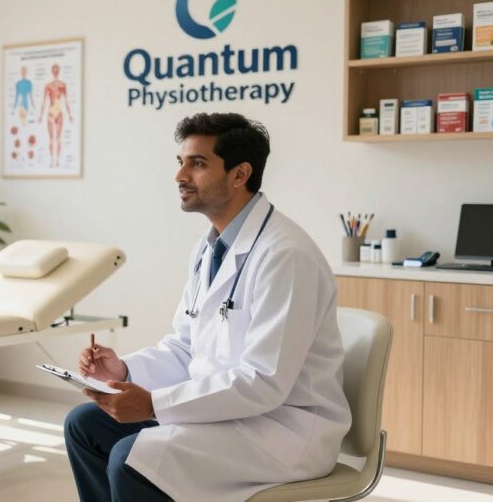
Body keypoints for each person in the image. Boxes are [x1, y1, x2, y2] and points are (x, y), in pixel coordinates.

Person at [63, 113, 351, 502]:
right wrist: (124, 371)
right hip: (223, 413)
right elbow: (186, 346)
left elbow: (264, 382)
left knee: (133, 459)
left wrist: (153, 404)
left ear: (239, 174)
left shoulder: (286, 254)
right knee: (85, 425)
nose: (179, 176)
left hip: (281, 429)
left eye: (197, 164)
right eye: (180, 162)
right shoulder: (209, 246)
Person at [37, 63, 73, 167]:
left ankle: (57, 160)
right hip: (51, 112)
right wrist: (40, 115)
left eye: (57, 70)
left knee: (58, 138)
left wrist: (70, 114)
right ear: (52, 71)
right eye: (54, 70)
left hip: (59, 111)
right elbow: (44, 101)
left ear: (59, 71)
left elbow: (66, 101)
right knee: (51, 138)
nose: (55, 72)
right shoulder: (48, 86)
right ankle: (52, 160)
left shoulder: (63, 85)